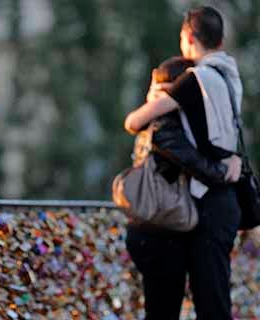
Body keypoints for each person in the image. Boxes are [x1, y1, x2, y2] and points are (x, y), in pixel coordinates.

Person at [125, 6, 243, 320]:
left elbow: (135, 121)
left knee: (206, 302)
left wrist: (155, 96)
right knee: (214, 298)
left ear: (189, 36)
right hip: (225, 199)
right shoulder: (230, 75)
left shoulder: (195, 79)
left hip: (208, 198)